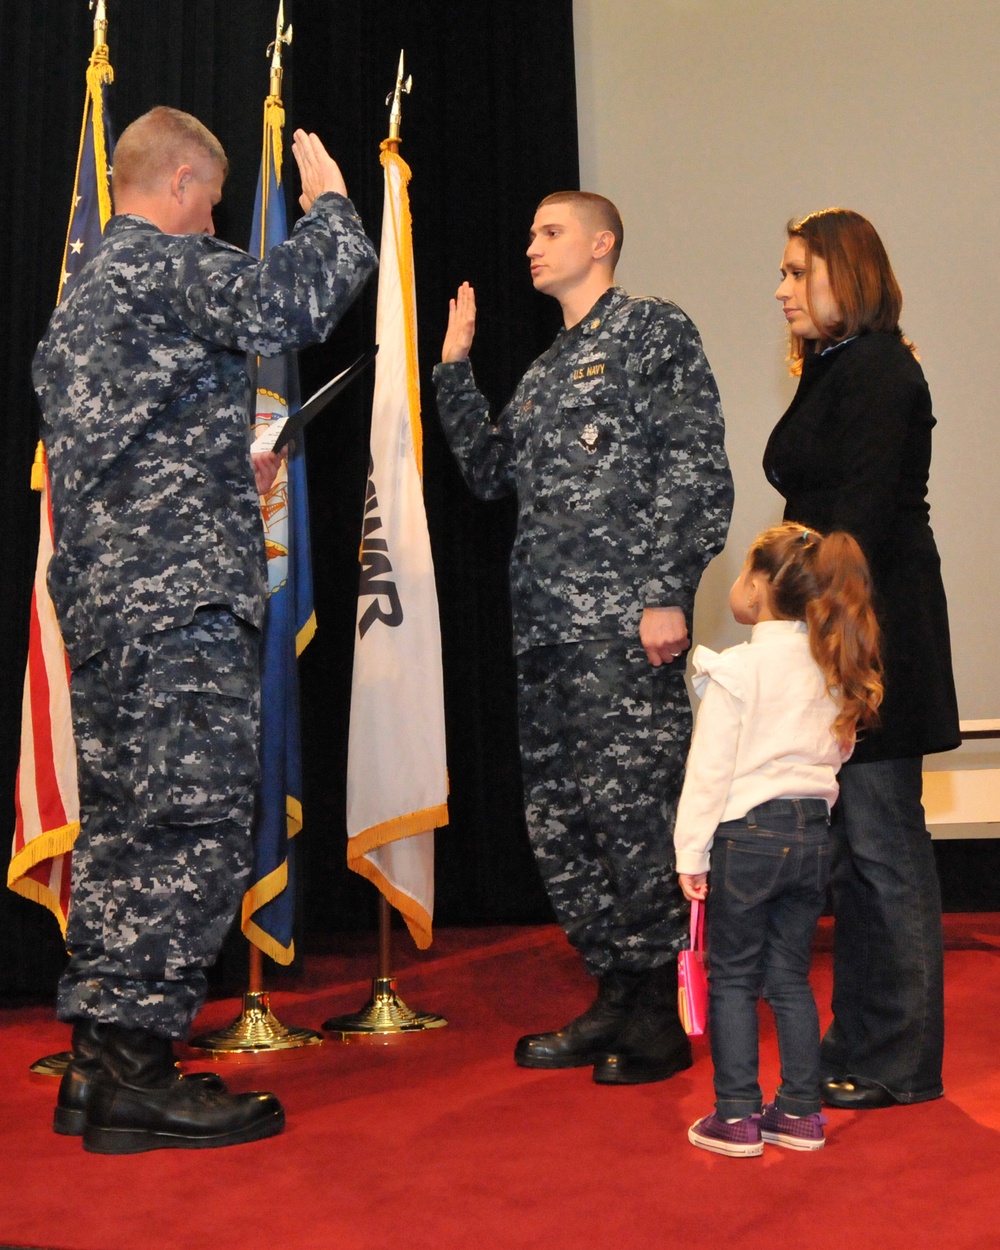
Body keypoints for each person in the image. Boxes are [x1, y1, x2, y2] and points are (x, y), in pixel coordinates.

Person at [33, 106, 377, 1153]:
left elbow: (131, 451)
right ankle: (138, 1070)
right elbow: (292, 297)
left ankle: (99, 1065)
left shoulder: (83, 293)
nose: (217, 217)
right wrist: (333, 208)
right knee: (190, 827)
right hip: (176, 603)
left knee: (131, 830)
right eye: (215, 199)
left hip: (109, 605)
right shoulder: (157, 262)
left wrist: (237, 464)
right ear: (182, 180)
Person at [433, 191, 733, 1085]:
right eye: (529, 233)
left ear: (601, 244)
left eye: (549, 232)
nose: (531, 246)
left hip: (622, 633)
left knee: (633, 814)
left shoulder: (650, 333)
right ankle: (614, 990)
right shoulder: (545, 370)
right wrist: (454, 368)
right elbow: (489, 477)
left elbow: (695, 463)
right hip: (548, 639)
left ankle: (658, 1015)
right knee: (562, 821)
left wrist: (665, 591)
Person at [764, 208, 961, 1110]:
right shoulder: (837, 365)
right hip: (836, 628)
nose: (782, 290)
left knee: (884, 848)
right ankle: (862, 1042)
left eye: (798, 272)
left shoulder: (881, 367)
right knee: (855, 854)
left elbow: (861, 520)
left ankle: (902, 1060)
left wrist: (774, 579)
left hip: (875, 630)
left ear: (848, 275)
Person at [676, 523, 882, 1157]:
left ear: (760, 589)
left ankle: (736, 1115)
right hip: (812, 836)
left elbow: (709, 767)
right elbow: (839, 752)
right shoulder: (830, 667)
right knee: (789, 976)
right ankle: (799, 1113)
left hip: (748, 837)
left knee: (734, 977)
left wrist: (691, 851)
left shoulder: (736, 669)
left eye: (743, 574)